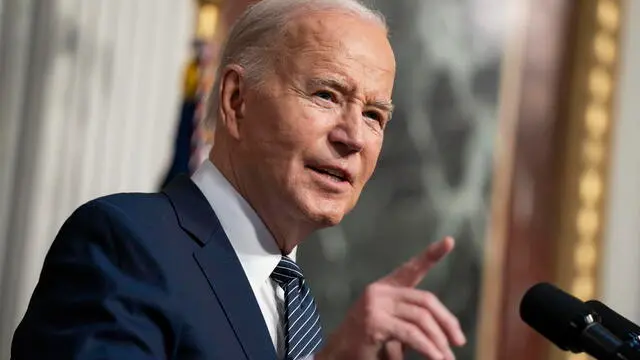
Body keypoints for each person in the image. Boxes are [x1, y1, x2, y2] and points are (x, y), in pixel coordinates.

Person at [11, 0, 467, 359]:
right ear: (236, 101)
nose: (352, 137)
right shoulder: (125, 243)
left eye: (373, 115)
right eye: (326, 95)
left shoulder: (298, 311)